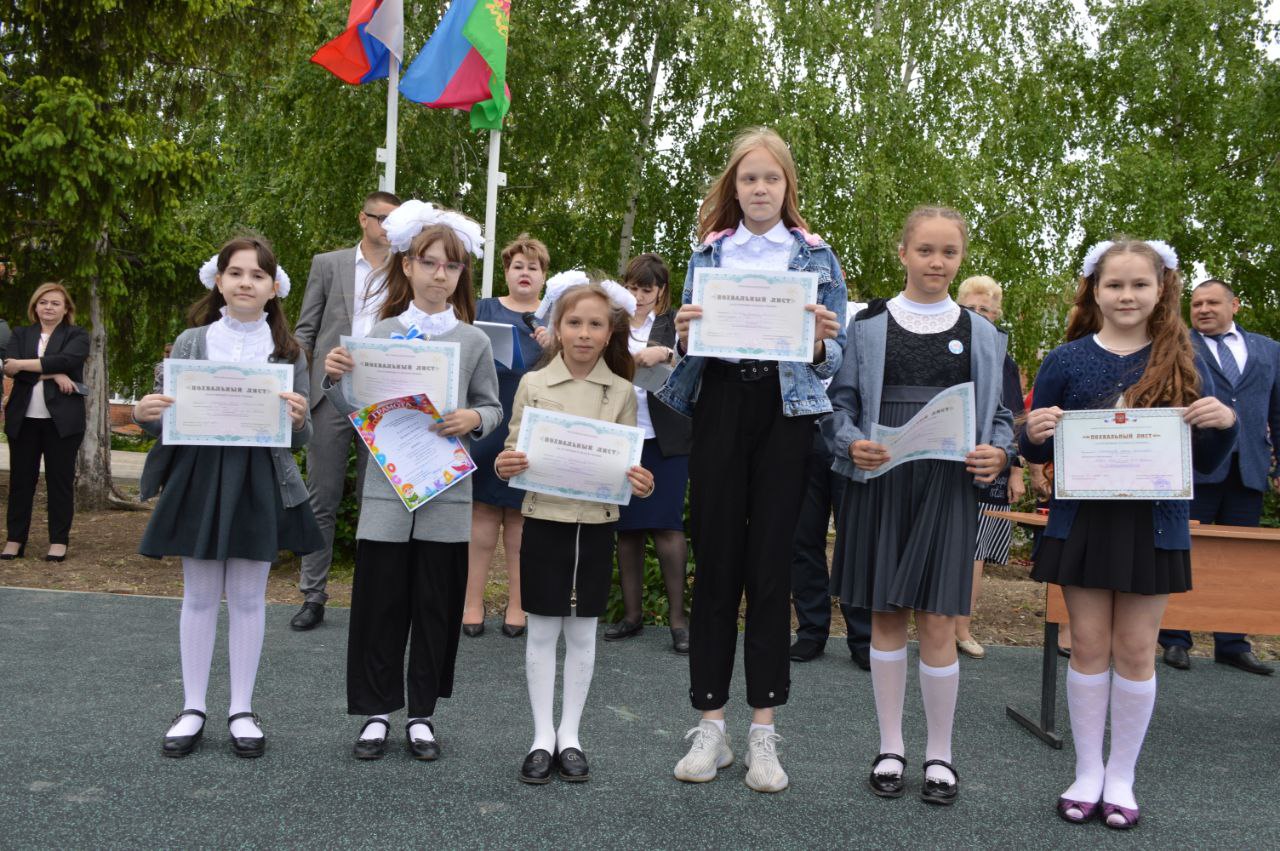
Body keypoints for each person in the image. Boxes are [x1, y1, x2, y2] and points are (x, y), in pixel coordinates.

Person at [1023, 239, 1237, 829]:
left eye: (1139, 284)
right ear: (1094, 290)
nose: (1126, 295)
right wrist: (1034, 431)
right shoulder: (1065, 359)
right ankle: (1087, 771)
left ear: (1160, 289)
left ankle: (1122, 776)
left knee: (1138, 651)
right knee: (1089, 647)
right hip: (1083, 520)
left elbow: (1205, 459)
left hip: (1155, 522)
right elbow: (1036, 449)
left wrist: (1223, 423)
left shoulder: (1185, 357)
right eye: (1114, 284)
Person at [658, 127, 846, 793]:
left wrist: (819, 345)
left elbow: (834, 353)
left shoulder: (816, 255)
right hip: (719, 406)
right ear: (733, 188)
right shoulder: (708, 252)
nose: (760, 188)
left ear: (787, 186)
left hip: (784, 412)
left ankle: (763, 731)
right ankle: (712, 726)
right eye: (748, 178)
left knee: (770, 566)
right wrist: (684, 334)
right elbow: (688, 344)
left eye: (771, 178)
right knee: (716, 564)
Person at [824, 206, 1015, 806]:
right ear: (903, 252)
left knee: (937, 620)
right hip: (883, 478)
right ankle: (890, 748)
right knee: (885, 617)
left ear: (961, 258)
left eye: (949, 252)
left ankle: (940, 754)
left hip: (949, 484)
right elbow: (839, 406)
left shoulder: (984, 334)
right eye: (926, 250)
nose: (937, 262)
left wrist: (1000, 453)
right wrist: (849, 442)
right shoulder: (867, 328)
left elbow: (1001, 416)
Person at [322, 202, 501, 761]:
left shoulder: (473, 341)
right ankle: (377, 712)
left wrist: (473, 418)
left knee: (435, 610)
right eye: (429, 263)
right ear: (407, 266)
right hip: (387, 496)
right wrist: (334, 379)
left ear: (461, 274)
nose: (439, 274)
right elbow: (354, 410)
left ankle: (421, 714)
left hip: (446, 496)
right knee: (379, 607)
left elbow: (493, 408)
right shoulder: (380, 334)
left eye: (451, 265)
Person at [135, 236, 321, 758]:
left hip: (260, 478)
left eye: (258, 275)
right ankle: (193, 707)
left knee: (246, 597)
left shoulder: (289, 351)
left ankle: (241, 708)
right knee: (198, 595)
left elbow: (302, 436)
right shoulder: (191, 341)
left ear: (273, 288)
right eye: (236, 273)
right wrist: (147, 416)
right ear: (218, 281)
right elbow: (169, 419)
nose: (246, 282)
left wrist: (298, 420)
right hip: (199, 474)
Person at [495, 280, 654, 784]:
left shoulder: (622, 391)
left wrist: (641, 482)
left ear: (609, 334)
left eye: (595, 324)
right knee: (542, 631)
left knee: (583, 633)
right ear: (558, 329)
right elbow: (513, 450)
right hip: (544, 519)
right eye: (574, 323)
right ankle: (541, 737)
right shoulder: (532, 384)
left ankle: (571, 736)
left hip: (597, 525)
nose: (584, 333)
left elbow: (629, 464)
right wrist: (504, 464)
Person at [290, 190, 402, 631]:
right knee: (322, 497)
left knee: (376, 500)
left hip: (384, 397)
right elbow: (305, 331)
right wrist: (302, 390)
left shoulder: (407, 268)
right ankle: (312, 595)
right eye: (381, 218)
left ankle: (371, 596)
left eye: (395, 221)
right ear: (362, 219)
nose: (388, 228)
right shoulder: (328, 264)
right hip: (329, 393)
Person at [1158, 278, 1279, 676]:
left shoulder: (1269, 350)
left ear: (1235, 305)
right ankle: (1175, 639)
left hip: (1248, 470)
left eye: (1212, 303)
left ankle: (1232, 643)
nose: (1203, 310)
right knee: (1183, 552)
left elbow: (1277, 412)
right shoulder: (1177, 347)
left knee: (1238, 562)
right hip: (1195, 466)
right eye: (1196, 304)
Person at [605, 253, 693, 654]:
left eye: (646, 289)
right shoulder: (613, 322)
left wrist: (669, 355)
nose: (638, 296)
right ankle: (632, 615)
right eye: (632, 287)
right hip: (622, 436)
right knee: (628, 529)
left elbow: (697, 365)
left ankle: (678, 621)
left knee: (668, 528)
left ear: (661, 291)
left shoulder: (674, 324)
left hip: (666, 439)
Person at [465, 234, 551, 638]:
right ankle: (472, 602)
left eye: (533, 267)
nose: (525, 273)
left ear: (544, 276)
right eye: (518, 266)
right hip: (487, 417)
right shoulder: (481, 308)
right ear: (506, 271)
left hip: (531, 425)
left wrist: (555, 345)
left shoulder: (554, 316)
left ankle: (519, 604)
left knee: (519, 519)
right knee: (481, 514)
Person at [789, 300, 873, 670]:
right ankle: (811, 630)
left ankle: (864, 636)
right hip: (800, 431)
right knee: (802, 537)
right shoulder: (791, 305)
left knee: (855, 539)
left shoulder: (865, 318)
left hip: (850, 437)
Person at [953, 275, 1027, 658]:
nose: (978, 314)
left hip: (989, 465)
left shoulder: (1003, 359)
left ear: (996, 316)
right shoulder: (942, 346)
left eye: (986, 309)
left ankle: (961, 628)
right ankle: (933, 625)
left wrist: (1016, 469)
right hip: (944, 459)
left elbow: (1014, 417)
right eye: (971, 308)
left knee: (975, 551)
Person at [2, 283, 90, 563]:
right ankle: (15, 540)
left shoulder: (77, 335)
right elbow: (10, 367)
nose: (48, 307)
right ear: (35, 306)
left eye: (55, 303)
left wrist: (26, 365)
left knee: (59, 483)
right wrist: (53, 374)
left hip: (62, 423)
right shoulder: (21, 333)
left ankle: (58, 541)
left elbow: (66, 360)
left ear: (66, 309)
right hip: (24, 420)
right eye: (43, 302)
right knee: (20, 482)